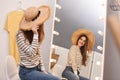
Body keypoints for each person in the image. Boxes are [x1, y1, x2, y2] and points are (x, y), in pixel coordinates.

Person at [16, 5, 60, 80]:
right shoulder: (20, 35)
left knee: (56, 78)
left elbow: (37, 53)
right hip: (26, 72)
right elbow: (31, 52)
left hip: (37, 68)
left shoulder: (33, 33)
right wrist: (35, 35)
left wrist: (43, 69)